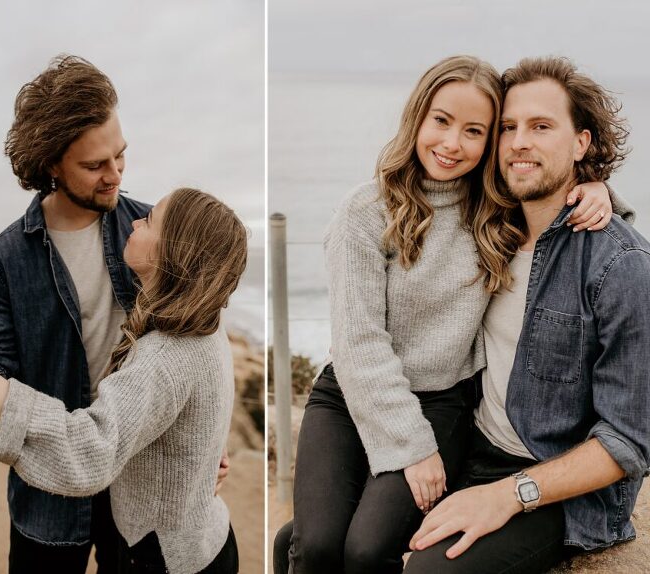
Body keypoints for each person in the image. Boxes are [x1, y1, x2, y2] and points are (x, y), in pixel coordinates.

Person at [273, 56, 627, 574]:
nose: (452, 143)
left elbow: (554, 195)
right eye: (441, 121)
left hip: (443, 403)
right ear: (418, 117)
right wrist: (410, 447)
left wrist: (599, 190)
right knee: (316, 544)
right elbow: (359, 344)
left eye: (475, 131)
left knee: (367, 550)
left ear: (489, 143)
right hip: (350, 395)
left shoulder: (495, 209)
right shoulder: (364, 212)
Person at [0, 55, 224, 573]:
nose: (115, 175)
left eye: (120, 156)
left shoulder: (153, 233)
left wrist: (200, 443)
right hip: (46, 496)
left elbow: (195, 345)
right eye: (95, 166)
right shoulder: (3, 259)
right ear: (51, 164)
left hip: (137, 488)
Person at [0, 187, 246, 574]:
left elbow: (89, 450)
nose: (135, 220)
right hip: (202, 540)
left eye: (150, 221)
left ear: (173, 253)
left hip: (164, 560)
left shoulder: (165, 353)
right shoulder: (206, 324)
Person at [400, 56, 650, 573]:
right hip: (471, 445)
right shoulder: (490, 225)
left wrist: (507, 496)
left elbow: (629, 438)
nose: (518, 142)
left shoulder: (621, 266)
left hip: (558, 488)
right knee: (308, 539)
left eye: (541, 126)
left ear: (581, 143)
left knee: (430, 569)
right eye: (507, 128)